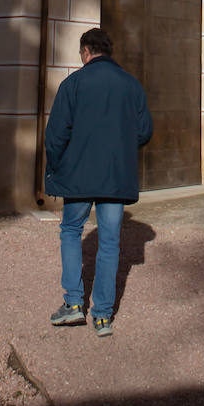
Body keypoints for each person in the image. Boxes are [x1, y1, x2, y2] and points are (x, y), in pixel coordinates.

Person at [44, 26, 153, 337]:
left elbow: (55, 137)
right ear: (109, 51)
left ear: (86, 52)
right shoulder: (131, 86)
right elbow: (144, 131)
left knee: (70, 230)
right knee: (109, 243)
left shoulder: (73, 84)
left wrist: (57, 167)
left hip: (77, 175)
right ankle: (103, 317)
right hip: (114, 177)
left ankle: (74, 305)